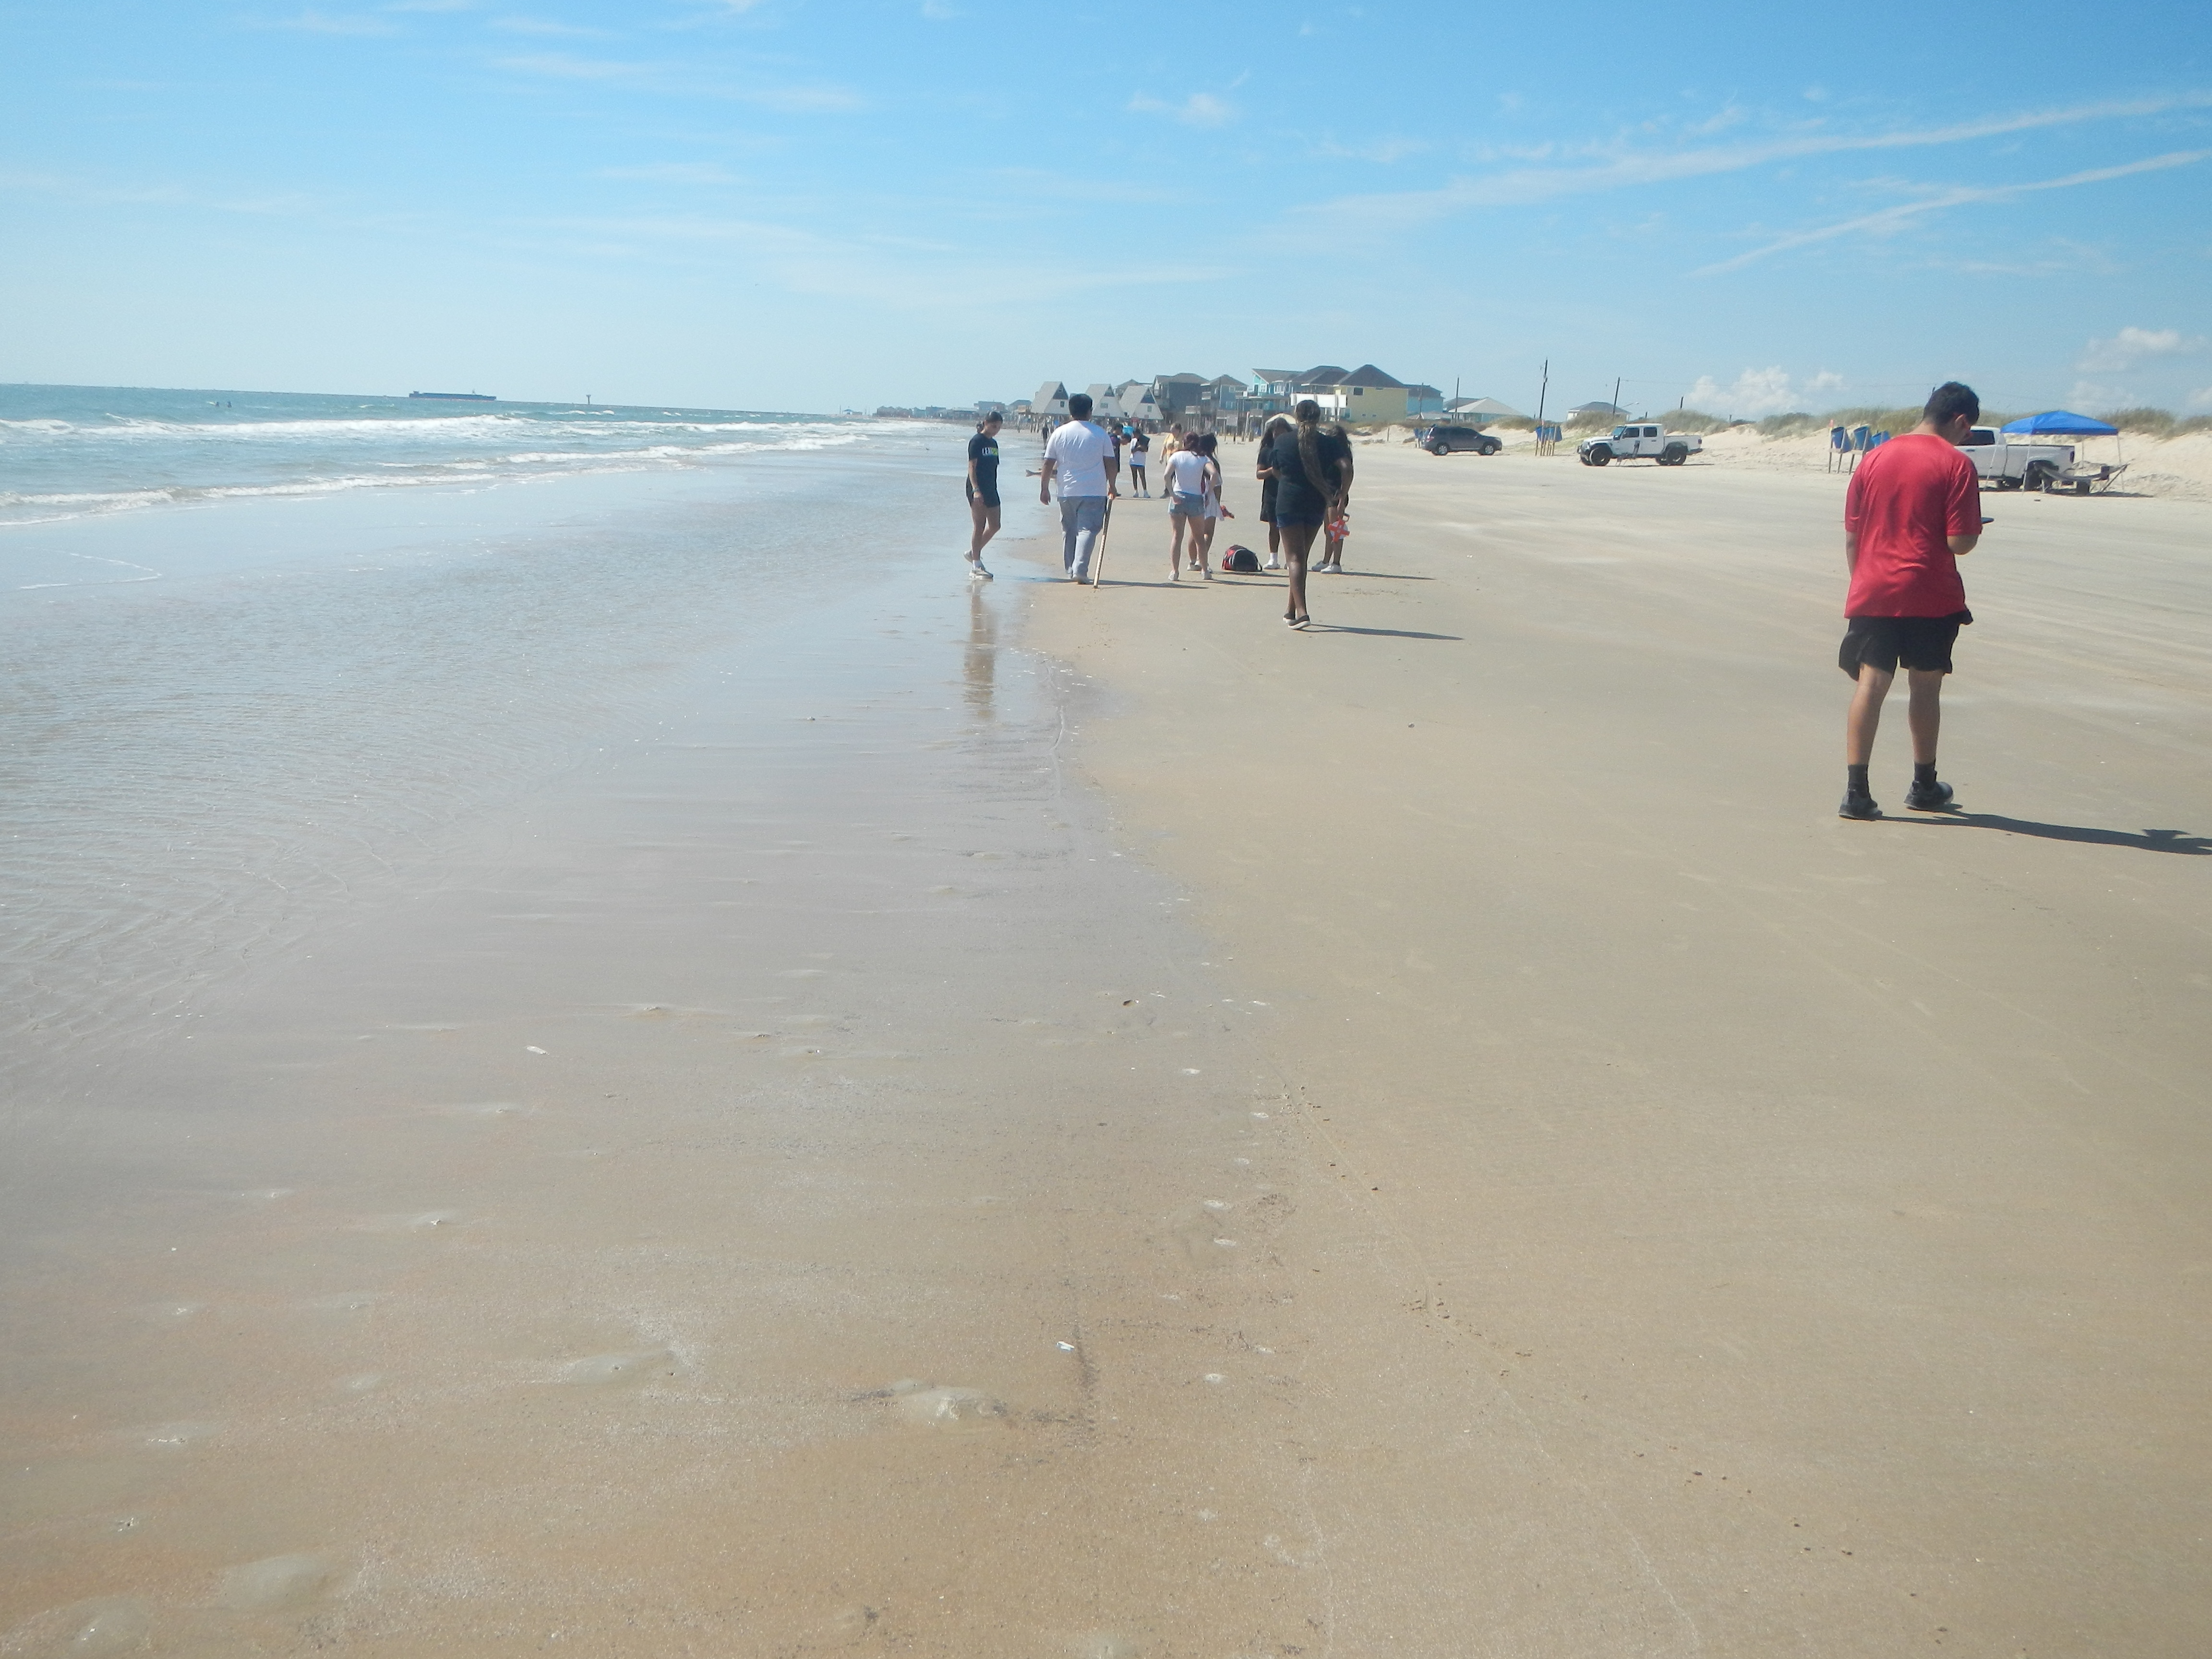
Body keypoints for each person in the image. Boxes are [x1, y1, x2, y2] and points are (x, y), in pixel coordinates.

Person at [1836, 380, 1985, 820]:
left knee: (1872, 685)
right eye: (1969, 430)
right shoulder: (1956, 465)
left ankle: (1857, 793)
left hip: (1874, 588)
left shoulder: (1873, 459)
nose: (1967, 439)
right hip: (1929, 591)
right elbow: (1960, 542)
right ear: (1960, 421)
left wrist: (1866, 584)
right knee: (1925, 685)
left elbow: (1852, 537)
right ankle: (1923, 785)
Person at [1258, 400, 1350, 628]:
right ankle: (1290, 611)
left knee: (1294, 559)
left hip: (1289, 501)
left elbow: (1277, 470)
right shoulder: (1328, 443)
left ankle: (1302, 613)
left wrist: (1290, 481)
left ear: (1296, 417)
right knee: (1302, 557)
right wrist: (1341, 494)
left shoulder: (1283, 440)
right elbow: (1346, 467)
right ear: (1318, 417)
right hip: (1316, 502)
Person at [1039, 392, 1118, 582]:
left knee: (1069, 530)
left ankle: (1071, 569)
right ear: (1090, 412)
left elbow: (1048, 463)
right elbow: (1110, 463)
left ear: (1070, 411)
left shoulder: (1059, 433)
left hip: (1067, 491)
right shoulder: (1100, 434)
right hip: (1094, 490)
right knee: (1088, 530)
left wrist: (1044, 488)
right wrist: (1112, 485)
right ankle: (1080, 569)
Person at [1161, 429, 1216, 582]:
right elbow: (1214, 474)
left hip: (1179, 496)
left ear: (1184, 443)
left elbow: (1166, 475)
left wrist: (1172, 493)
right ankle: (1205, 571)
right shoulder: (1202, 458)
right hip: (1196, 498)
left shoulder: (1177, 456)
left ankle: (1175, 571)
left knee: (1177, 536)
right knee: (1199, 537)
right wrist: (1208, 494)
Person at [1311, 423, 1356, 572]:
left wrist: (1343, 497)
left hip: (1337, 494)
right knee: (1328, 529)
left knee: (1336, 529)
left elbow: (1349, 474)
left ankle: (1336, 563)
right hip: (1328, 492)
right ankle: (1326, 561)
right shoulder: (1332, 453)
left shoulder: (1343, 455)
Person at [964, 411, 1003, 578]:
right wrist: (976, 490)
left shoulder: (994, 444)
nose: (996, 430)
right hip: (977, 488)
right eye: (994, 426)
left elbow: (993, 468)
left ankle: (973, 552)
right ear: (986, 423)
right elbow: (972, 467)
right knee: (979, 525)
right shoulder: (976, 441)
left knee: (995, 525)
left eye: (999, 428)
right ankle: (976, 566)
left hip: (991, 487)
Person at [1254, 414, 1290, 569]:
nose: (1278, 436)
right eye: (1276, 433)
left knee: (1290, 528)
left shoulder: (1291, 449)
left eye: (1281, 433)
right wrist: (1271, 471)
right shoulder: (1266, 451)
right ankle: (1273, 559)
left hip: (1289, 492)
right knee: (1273, 526)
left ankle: (1291, 559)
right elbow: (1259, 474)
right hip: (1271, 493)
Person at [1127, 426, 1150, 496]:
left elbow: (1146, 450)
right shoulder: (1133, 441)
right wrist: (1138, 448)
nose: (1135, 436)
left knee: (1142, 476)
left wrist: (1142, 447)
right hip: (1133, 461)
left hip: (1141, 461)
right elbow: (1132, 451)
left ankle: (1145, 492)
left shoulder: (1145, 440)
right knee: (1135, 476)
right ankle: (1136, 492)